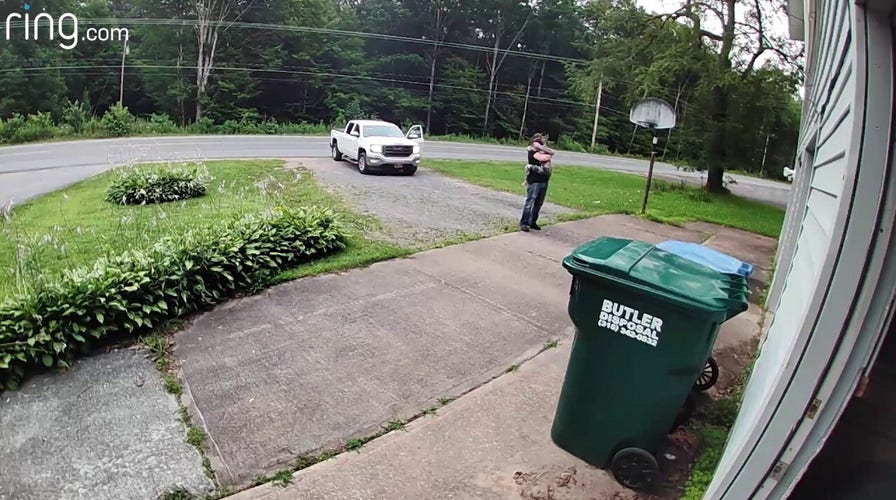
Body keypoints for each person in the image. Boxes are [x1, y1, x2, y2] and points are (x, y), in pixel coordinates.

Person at [519, 133, 555, 232]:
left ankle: (532, 221)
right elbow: (544, 157)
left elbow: (550, 153)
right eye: (539, 141)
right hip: (534, 181)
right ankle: (524, 223)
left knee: (538, 203)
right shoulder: (533, 152)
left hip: (544, 180)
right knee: (530, 202)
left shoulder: (542, 151)